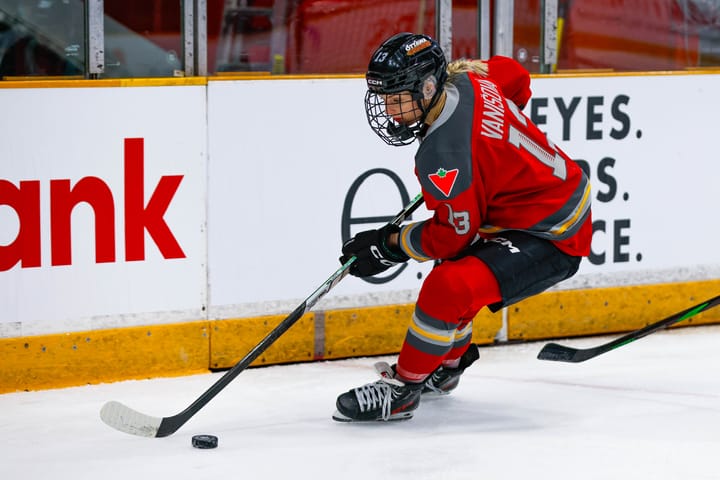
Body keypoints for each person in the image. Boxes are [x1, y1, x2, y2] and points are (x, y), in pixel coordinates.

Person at [333, 32, 591, 422]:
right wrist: (492, 152)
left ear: (429, 86)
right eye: (384, 96)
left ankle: (403, 391)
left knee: (448, 284)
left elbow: (450, 236)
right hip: (543, 202)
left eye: (397, 96)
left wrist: (387, 245)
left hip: (553, 232)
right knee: (457, 276)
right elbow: (517, 77)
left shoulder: (444, 153)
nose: (388, 109)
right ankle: (448, 368)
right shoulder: (470, 79)